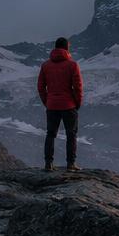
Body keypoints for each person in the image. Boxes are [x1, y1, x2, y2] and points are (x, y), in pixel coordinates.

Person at [37, 37, 83, 171]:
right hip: (69, 105)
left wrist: (47, 101)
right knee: (71, 134)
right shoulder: (72, 65)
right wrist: (77, 103)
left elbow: (40, 86)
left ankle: (48, 164)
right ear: (67, 48)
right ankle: (71, 164)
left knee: (50, 134)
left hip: (52, 105)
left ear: (55, 48)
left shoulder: (45, 65)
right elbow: (78, 86)